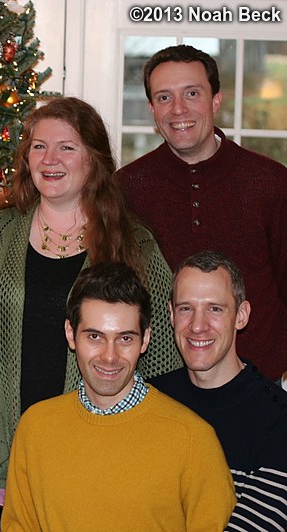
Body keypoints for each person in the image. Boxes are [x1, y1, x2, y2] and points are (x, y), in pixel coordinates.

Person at [0, 97, 182, 495]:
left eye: (67, 147)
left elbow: (162, 359)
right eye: (38, 146)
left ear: (94, 159)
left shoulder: (133, 244)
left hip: (101, 452)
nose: (50, 159)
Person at [2, 263, 235, 531]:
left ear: (145, 339)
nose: (110, 357)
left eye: (125, 338)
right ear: (70, 334)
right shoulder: (36, 427)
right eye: (95, 337)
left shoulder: (192, 439)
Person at [117, 44, 287, 381]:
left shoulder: (271, 182)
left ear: (216, 101)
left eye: (191, 93)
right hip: (160, 388)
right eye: (164, 97)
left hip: (261, 386)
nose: (178, 109)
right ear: (152, 109)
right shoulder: (127, 188)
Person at [150, 250, 287, 530]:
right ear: (171, 315)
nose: (198, 326)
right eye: (186, 308)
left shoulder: (278, 421)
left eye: (215, 309)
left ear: (241, 315)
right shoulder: (148, 399)